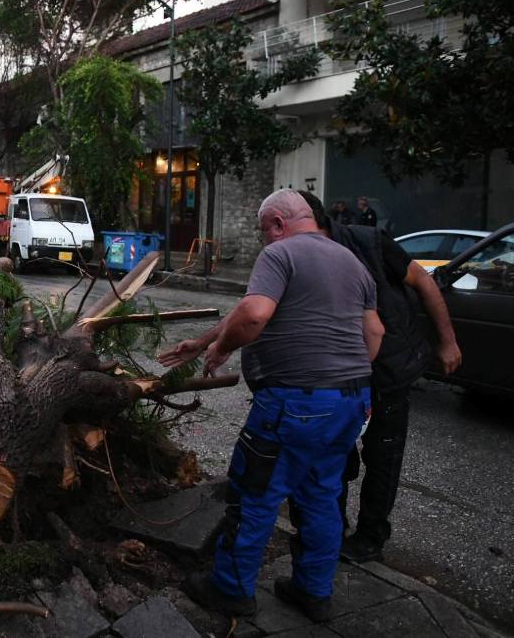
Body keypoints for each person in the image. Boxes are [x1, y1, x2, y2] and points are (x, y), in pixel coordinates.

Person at [160, 189, 385, 622]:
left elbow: (255, 314)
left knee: (254, 493)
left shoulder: (281, 254)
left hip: (295, 402)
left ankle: (230, 588)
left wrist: (221, 348)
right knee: (322, 495)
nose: (264, 239)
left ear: (279, 223)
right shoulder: (352, 263)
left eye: (264, 230)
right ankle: (314, 592)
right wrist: (338, 378)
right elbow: (373, 334)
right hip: (351, 400)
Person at [296, 191, 461, 564]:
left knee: (382, 456)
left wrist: (448, 341)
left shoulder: (368, 242)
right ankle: (331, 528)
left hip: (387, 370)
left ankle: (370, 537)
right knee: (332, 456)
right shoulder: (297, 254)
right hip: (336, 376)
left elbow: (424, 282)